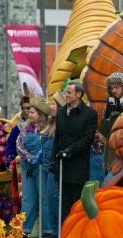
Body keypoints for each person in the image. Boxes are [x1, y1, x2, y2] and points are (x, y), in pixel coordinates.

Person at [51, 82, 97, 223]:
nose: (66, 95)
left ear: (79, 94)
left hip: (78, 166)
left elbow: (87, 139)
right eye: (66, 92)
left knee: (77, 204)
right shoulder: (61, 112)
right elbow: (57, 137)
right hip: (62, 166)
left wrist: (69, 151)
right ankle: (64, 234)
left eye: (69, 92)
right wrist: (53, 159)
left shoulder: (90, 114)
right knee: (63, 204)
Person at [27, 90, 65, 238]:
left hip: (56, 168)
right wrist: (34, 163)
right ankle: (55, 230)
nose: (51, 106)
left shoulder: (62, 126)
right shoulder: (51, 125)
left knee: (55, 199)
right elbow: (44, 149)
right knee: (49, 199)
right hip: (47, 167)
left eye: (54, 104)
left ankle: (60, 229)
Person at [16, 94, 52, 238]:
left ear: (40, 114)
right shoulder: (25, 129)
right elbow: (19, 145)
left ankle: (48, 229)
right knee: (28, 199)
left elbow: (47, 147)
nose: (28, 114)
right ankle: (25, 230)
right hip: (28, 169)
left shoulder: (48, 129)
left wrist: (36, 160)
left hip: (42, 168)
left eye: (32, 112)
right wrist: (29, 159)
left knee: (45, 199)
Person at [99, 72, 123, 182]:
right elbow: (103, 133)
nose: (113, 91)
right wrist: (107, 116)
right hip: (110, 157)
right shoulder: (108, 106)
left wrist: (121, 110)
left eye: (116, 87)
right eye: (111, 88)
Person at [5, 94, 31, 214]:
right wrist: (9, 161)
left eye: (28, 108)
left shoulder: (40, 126)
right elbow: (10, 147)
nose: (26, 111)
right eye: (23, 108)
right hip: (21, 167)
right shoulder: (16, 129)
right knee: (21, 197)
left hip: (38, 166)